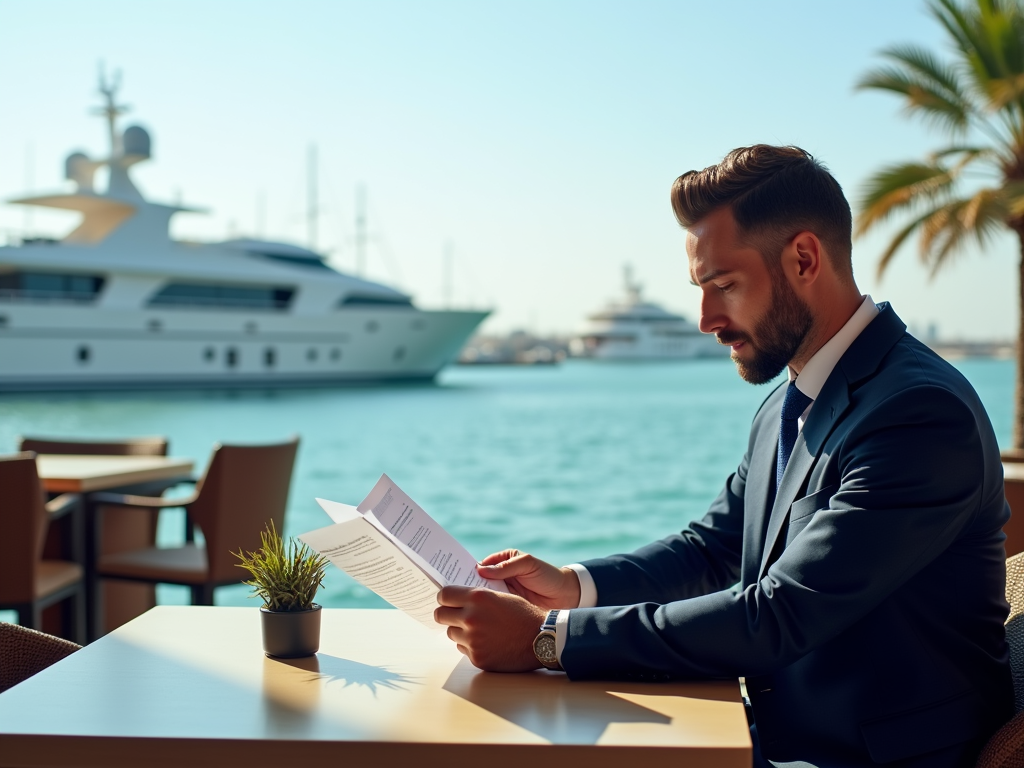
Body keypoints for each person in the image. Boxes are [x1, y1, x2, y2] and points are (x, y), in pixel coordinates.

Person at [434, 144, 1014, 768]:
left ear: (803, 258)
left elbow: (782, 614)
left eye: (725, 286)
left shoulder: (919, 414)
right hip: (774, 741)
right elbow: (711, 547)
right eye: (700, 289)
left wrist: (547, 642)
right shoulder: (788, 402)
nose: (707, 319)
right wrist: (571, 588)